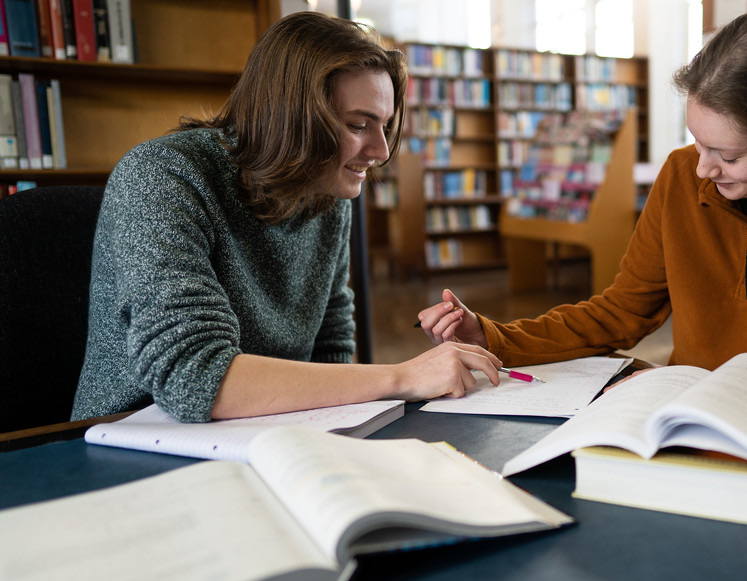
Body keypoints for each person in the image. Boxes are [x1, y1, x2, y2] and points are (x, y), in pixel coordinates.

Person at [417, 6, 747, 443]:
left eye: (727, 153)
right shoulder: (683, 176)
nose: (703, 168)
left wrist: (731, 390)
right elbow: (621, 311)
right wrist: (493, 336)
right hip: (677, 429)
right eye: (697, 141)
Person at [72, 11, 503, 423]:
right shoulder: (162, 176)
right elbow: (195, 377)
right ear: (291, 117)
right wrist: (403, 377)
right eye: (358, 126)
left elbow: (331, 346)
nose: (381, 151)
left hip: (270, 430)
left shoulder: (327, 193)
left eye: (384, 126)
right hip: (131, 438)